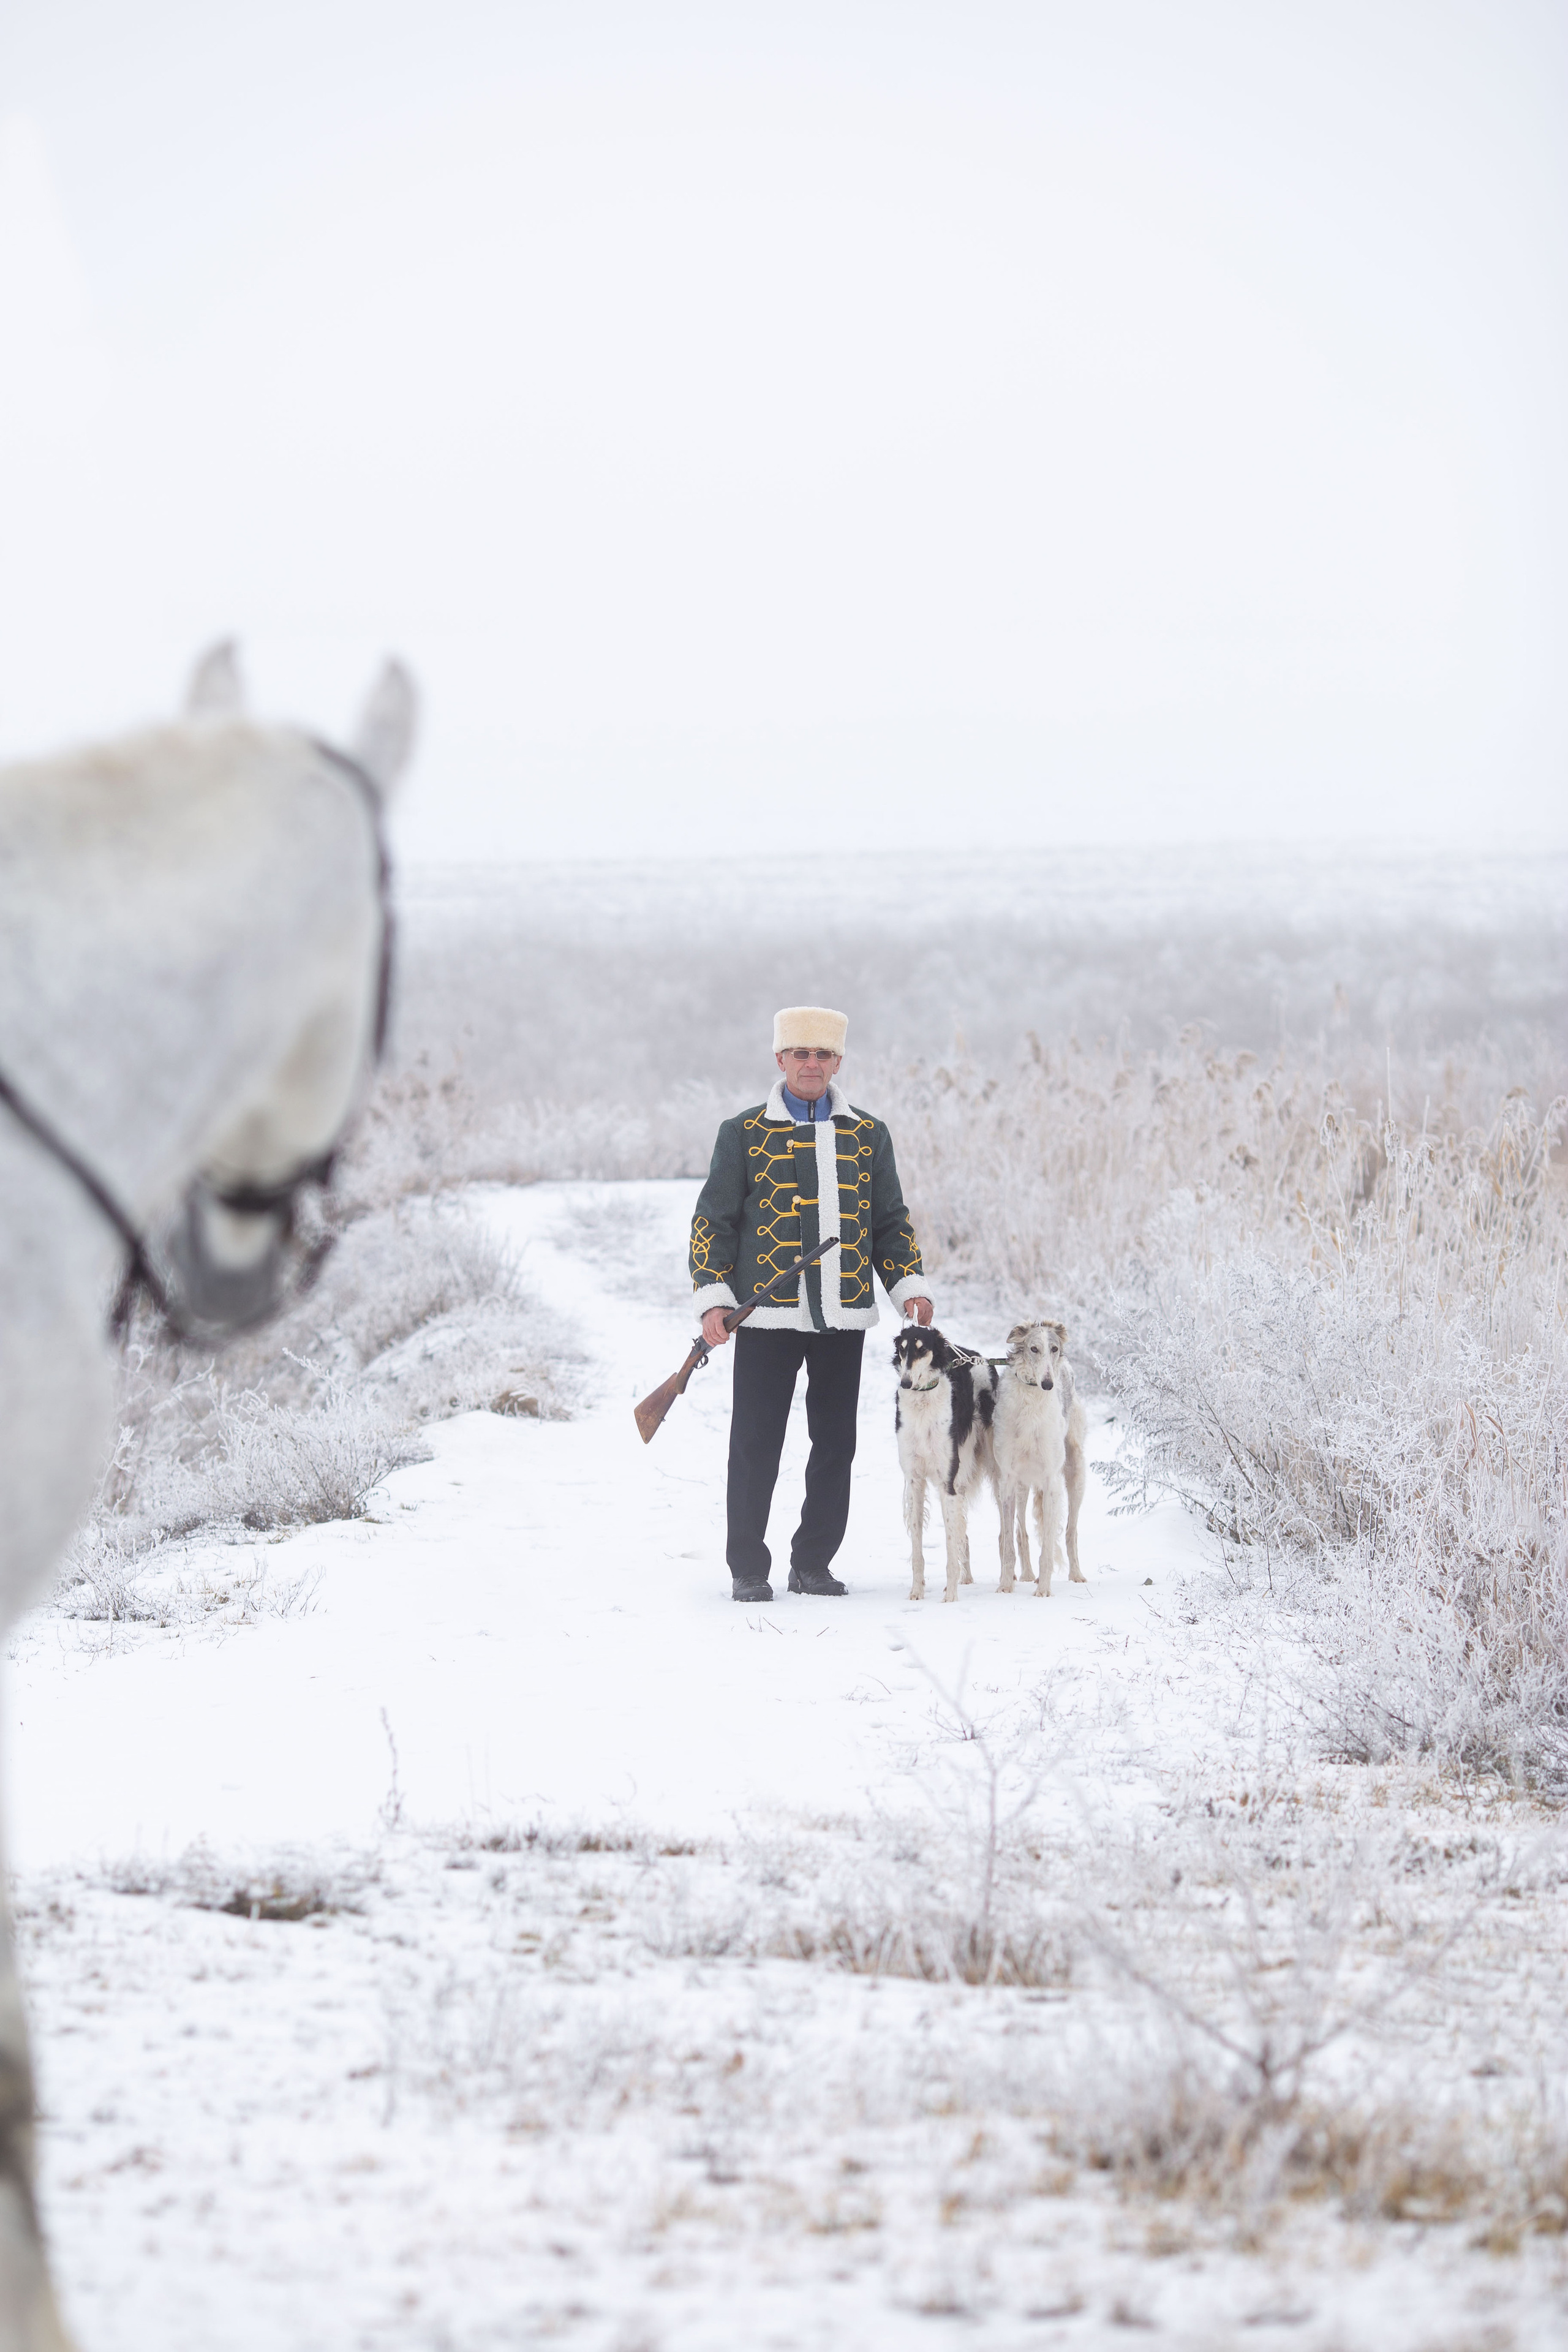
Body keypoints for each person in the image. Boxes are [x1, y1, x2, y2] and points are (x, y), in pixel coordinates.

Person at [688, 1005, 933, 1602]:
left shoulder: (868, 1135)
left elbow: (890, 1222)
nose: (811, 1064)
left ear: (837, 1062)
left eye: (822, 1054)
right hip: (765, 1316)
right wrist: (713, 1298)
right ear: (780, 1059)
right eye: (800, 1053)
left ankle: (812, 1563)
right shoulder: (742, 1132)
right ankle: (748, 1566)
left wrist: (910, 1286)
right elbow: (712, 1220)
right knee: (754, 1441)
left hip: (843, 1314)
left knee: (835, 1442)